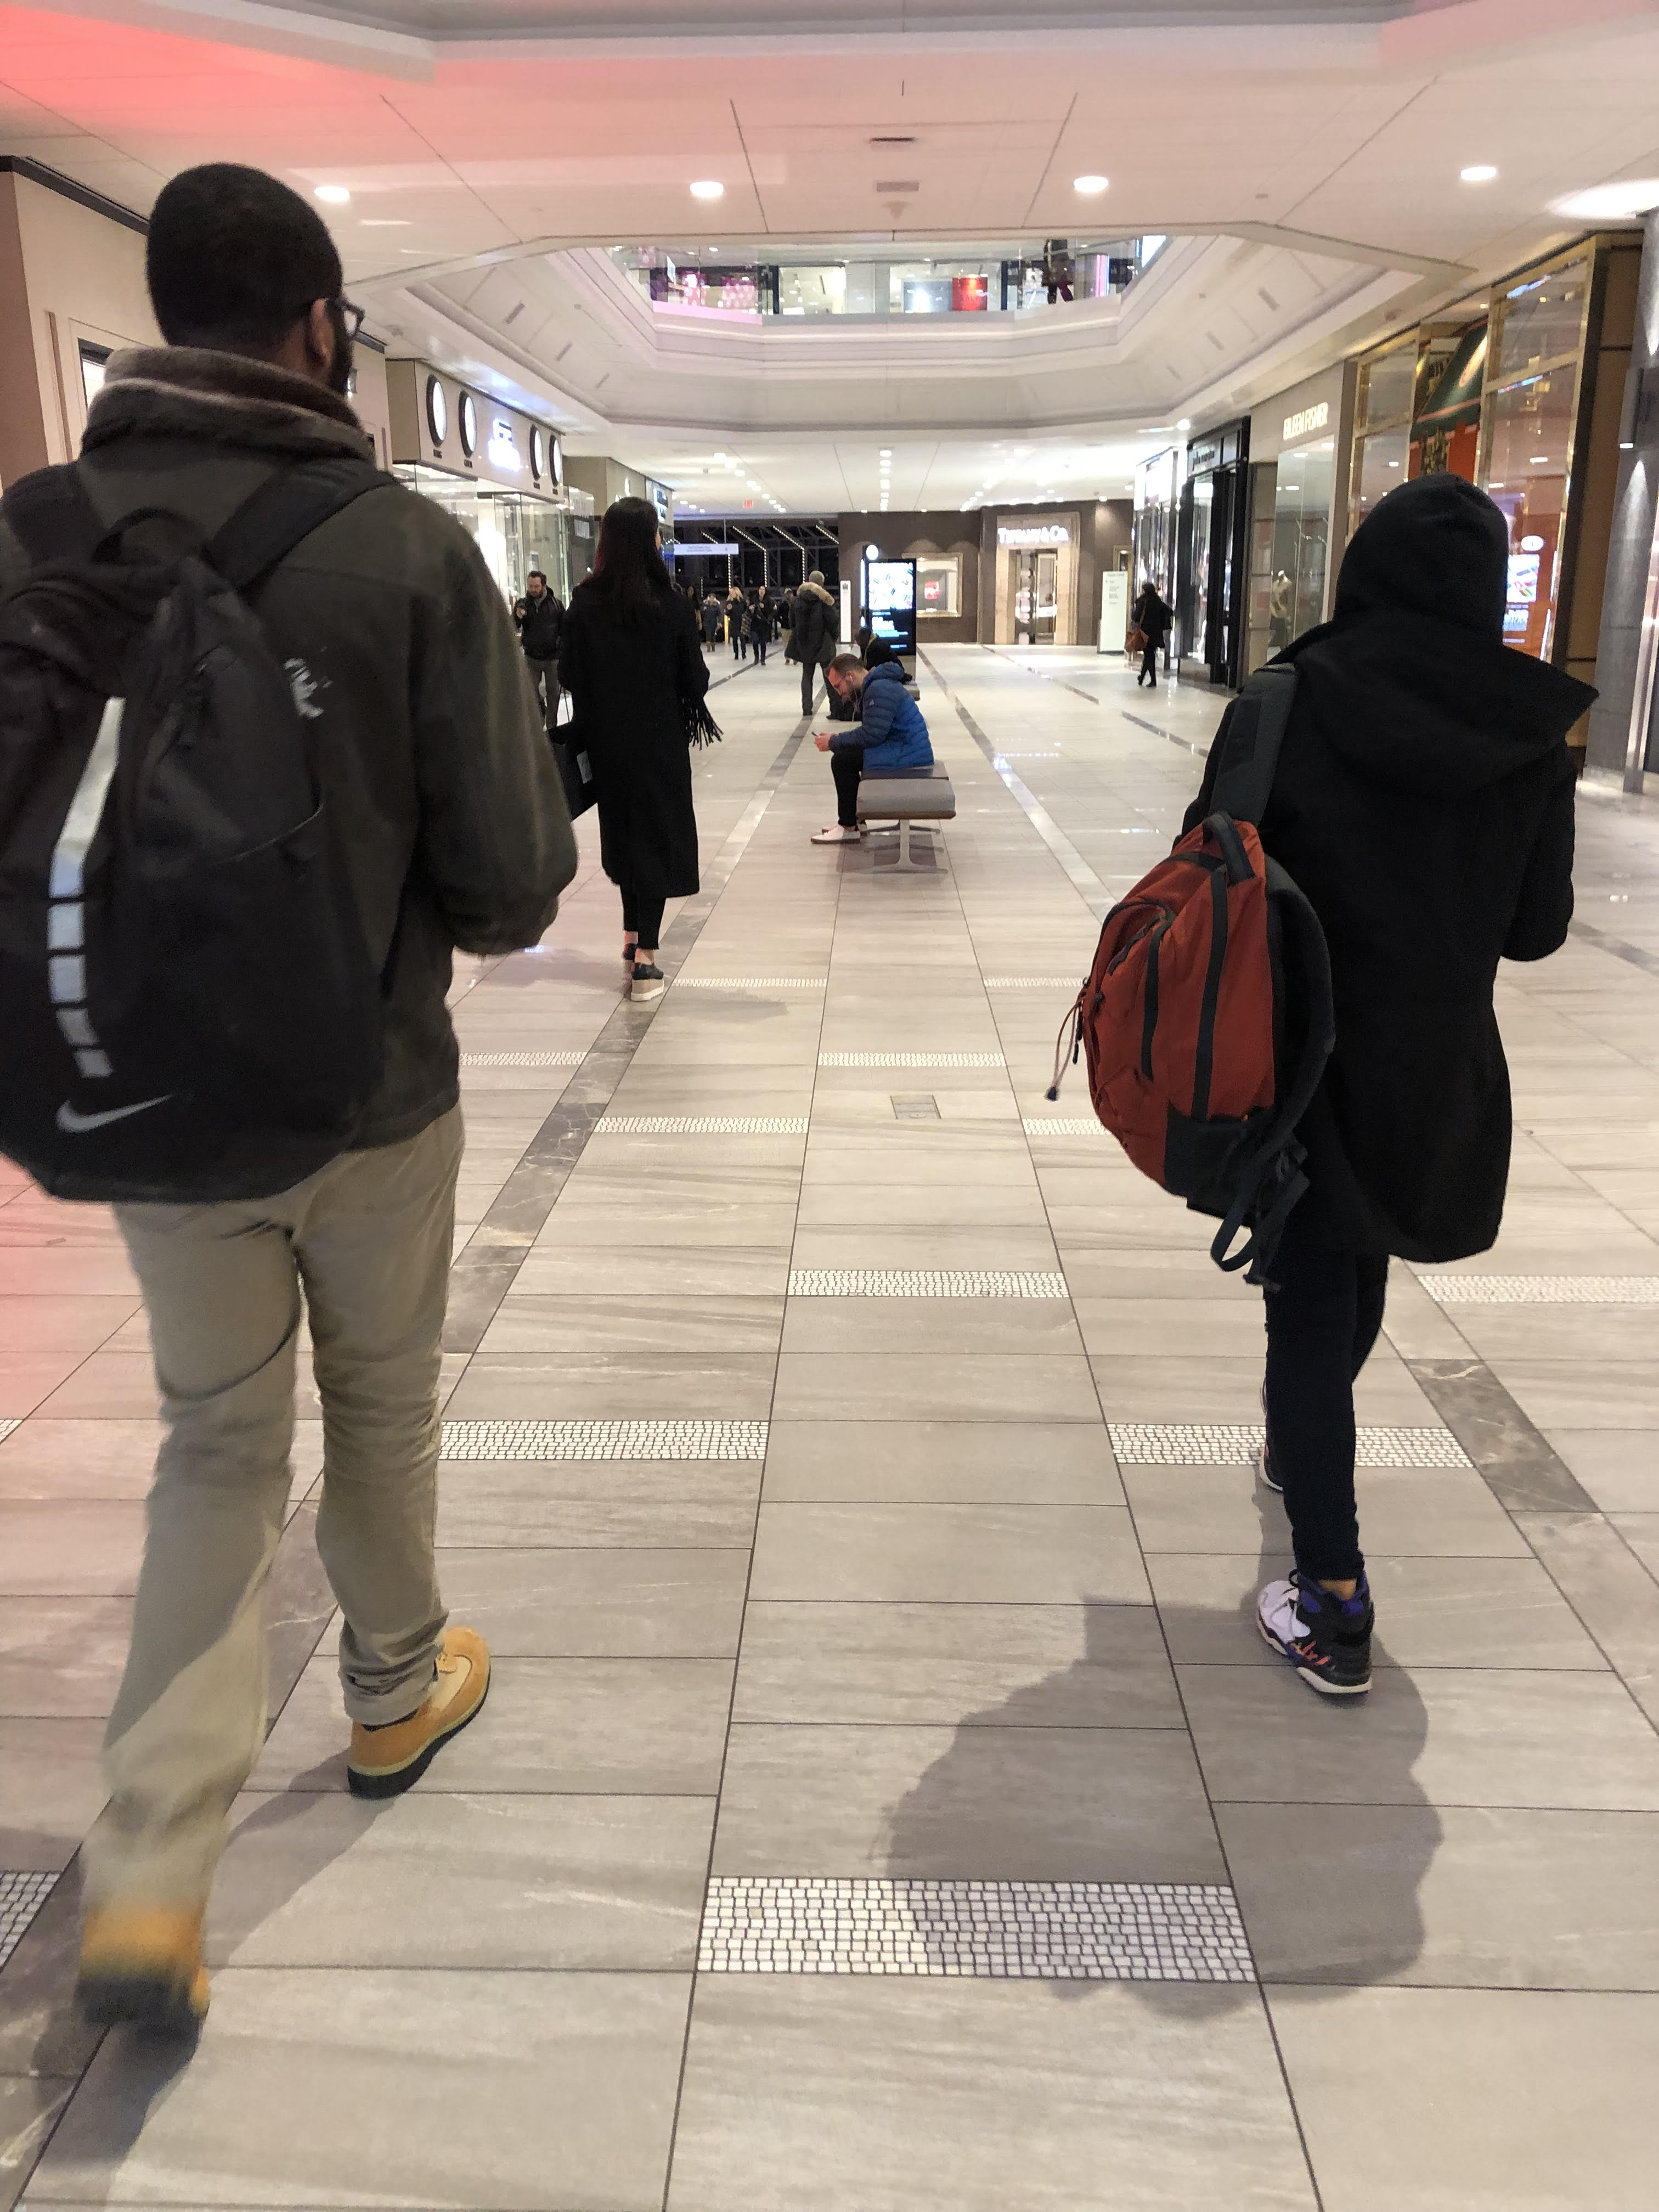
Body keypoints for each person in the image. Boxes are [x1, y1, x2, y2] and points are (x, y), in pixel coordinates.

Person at [0, 162, 577, 2032]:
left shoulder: (35, 533)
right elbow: (506, 884)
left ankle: (153, 1876)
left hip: (147, 1097)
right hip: (371, 1093)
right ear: (321, 323)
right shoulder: (400, 547)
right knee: (383, 1402)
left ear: (155, 314)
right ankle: (395, 1689)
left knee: (214, 1450)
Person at [1181, 473, 1588, 1697]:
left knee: (1311, 1303)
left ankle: (1334, 1602)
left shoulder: (1289, 697)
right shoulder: (1528, 731)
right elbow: (1537, 930)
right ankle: (1298, 1446)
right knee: (1353, 1275)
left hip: (1297, 1059)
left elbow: (1207, 855)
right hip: (1435, 1072)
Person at [558, 496, 710, 1002]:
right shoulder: (669, 604)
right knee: (658, 840)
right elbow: (697, 679)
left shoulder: (584, 603)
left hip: (607, 746)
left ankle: (630, 936)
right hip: (660, 744)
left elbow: (568, 676)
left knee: (624, 836)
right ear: (648, 542)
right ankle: (645, 959)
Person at [810, 648, 933, 845]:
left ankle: (849, 826)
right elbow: (874, 729)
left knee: (842, 761)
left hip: (908, 753)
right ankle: (855, 821)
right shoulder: (876, 685)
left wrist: (834, 742)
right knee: (846, 756)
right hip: (905, 746)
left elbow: (872, 735)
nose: (839, 692)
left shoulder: (879, 689)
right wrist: (838, 738)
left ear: (849, 676)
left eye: (838, 686)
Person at [518, 566, 565, 729]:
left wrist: (561, 646)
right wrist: (518, 617)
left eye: (536, 586)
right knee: (530, 693)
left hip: (552, 657)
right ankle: (539, 714)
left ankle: (552, 728)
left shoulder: (556, 605)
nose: (533, 590)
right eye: (530, 586)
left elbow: (564, 627)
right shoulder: (523, 605)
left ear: (543, 586)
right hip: (532, 656)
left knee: (553, 694)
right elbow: (514, 625)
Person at [791, 567, 839, 716]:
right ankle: (835, 709)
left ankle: (807, 708)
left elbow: (792, 623)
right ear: (822, 584)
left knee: (807, 675)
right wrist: (833, 637)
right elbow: (833, 621)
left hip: (806, 644)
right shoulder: (825, 600)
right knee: (829, 676)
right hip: (824, 643)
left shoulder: (797, 601)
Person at [1131, 578, 1171, 686]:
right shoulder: (1158, 601)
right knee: (1149, 654)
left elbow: (1135, 616)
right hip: (1156, 634)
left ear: (1145, 591)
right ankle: (1142, 678)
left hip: (1145, 633)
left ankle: (1153, 680)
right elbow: (1169, 611)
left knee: (1149, 656)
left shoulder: (1142, 601)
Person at [747, 589, 772, 665]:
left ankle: (763, 659)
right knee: (755, 642)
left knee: (763, 643)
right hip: (755, 624)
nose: (761, 591)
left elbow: (770, 611)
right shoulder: (754, 600)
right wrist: (750, 609)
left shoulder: (768, 600)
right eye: (760, 589)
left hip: (764, 624)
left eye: (763, 590)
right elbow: (749, 611)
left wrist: (764, 607)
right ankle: (756, 657)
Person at [726, 584, 748, 658]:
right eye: (730, 593)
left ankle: (744, 653)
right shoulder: (729, 602)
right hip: (733, 622)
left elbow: (746, 609)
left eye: (732, 592)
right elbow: (727, 613)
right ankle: (736, 653)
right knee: (735, 639)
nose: (731, 594)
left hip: (741, 622)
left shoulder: (742, 601)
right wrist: (729, 610)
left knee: (742, 638)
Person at [701, 588, 723, 652]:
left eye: (713, 598)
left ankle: (713, 647)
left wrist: (720, 622)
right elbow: (702, 612)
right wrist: (703, 610)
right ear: (709, 598)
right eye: (711, 598)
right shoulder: (705, 605)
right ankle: (708, 648)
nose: (712, 599)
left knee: (713, 635)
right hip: (706, 622)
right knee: (708, 634)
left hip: (714, 622)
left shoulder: (717, 605)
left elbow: (720, 614)